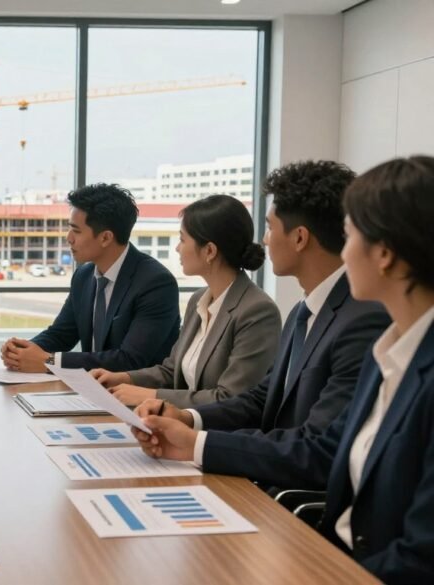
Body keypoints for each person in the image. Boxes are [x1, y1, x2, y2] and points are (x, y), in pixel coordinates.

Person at [134, 156, 434, 584]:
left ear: (384, 254)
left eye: (350, 237)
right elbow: (318, 440)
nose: (344, 253)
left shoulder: (370, 330)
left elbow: (419, 557)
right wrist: (191, 434)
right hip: (324, 547)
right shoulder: (381, 347)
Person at [133, 161, 388, 454]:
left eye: (269, 227)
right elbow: (261, 398)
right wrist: (187, 417)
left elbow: (316, 447)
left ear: (300, 238)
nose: (264, 239)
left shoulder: (361, 321)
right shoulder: (302, 312)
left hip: (283, 492)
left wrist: (197, 444)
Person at [90, 194, 281, 407]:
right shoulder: (199, 300)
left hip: (219, 435)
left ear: (209, 251)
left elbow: (230, 398)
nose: (177, 248)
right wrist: (124, 378)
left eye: (182, 239)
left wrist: (151, 396)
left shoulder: (257, 311)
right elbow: (172, 371)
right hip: (180, 426)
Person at [1, 183, 180, 372]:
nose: (68, 238)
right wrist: (21, 351)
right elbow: (62, 334)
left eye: (76, 231)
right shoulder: (84, 275)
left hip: (138, 395)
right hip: (90, 390)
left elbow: (130, 360)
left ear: (105, 238)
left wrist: (50, 362)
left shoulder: (156, 283)